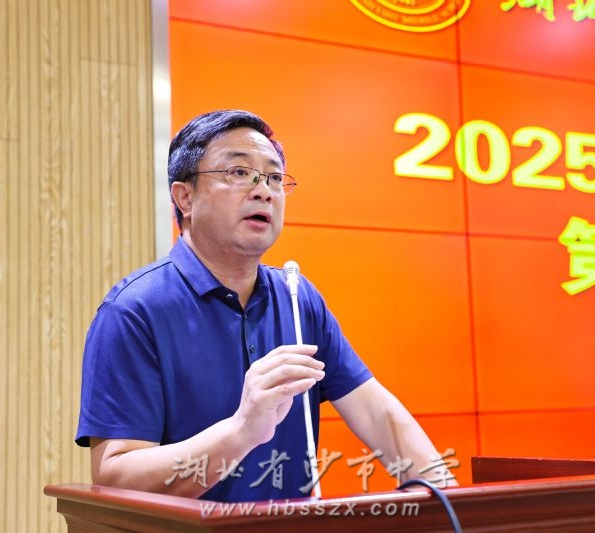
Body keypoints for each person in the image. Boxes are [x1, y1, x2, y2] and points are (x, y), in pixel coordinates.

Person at [76, 109, 456, 502]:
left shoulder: (297, 298)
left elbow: (378, 414)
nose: (264, 191)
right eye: (239, 173)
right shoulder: (134, 311)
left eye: (274, 178)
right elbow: (116, 477)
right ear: (185, 197)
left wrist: (451, 502)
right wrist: (241, 431)